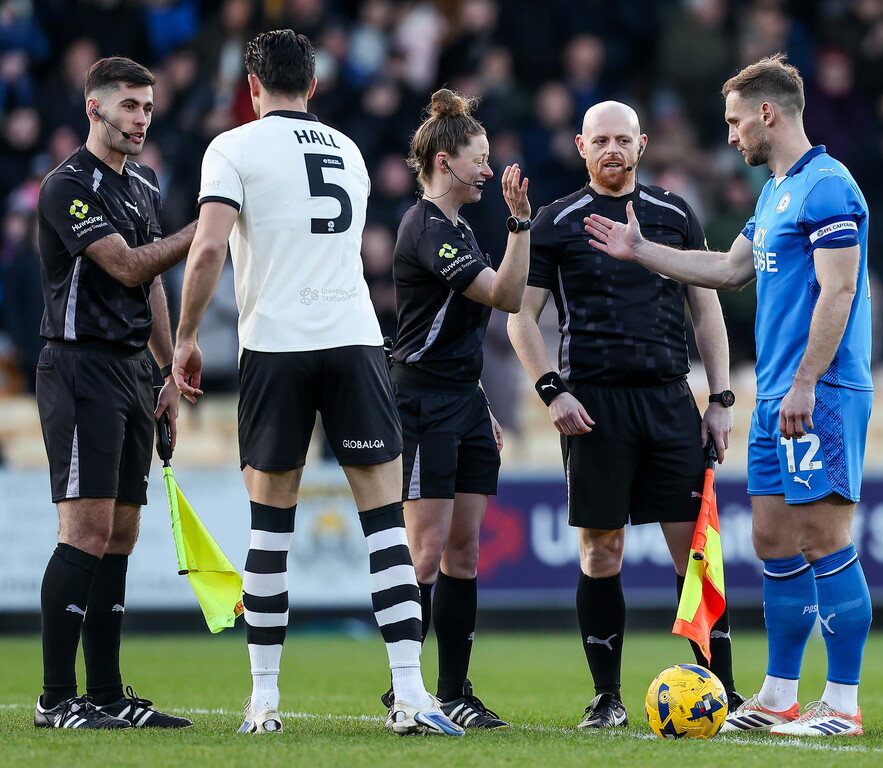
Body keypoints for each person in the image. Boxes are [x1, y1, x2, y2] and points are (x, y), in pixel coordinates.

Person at [171, 29, 461, 738]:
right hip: (355, 339)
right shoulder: (349, 151)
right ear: (315, 86)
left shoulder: (232, 147)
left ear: (253, 86)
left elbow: (209, 245)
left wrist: (183, 337)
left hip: (276, 344)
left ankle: (264, 702)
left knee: (271, 528)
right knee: (384, 528)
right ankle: (411, 695)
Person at [584, 54, 872, 737]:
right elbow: (729, 268)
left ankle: (842, 702)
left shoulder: (829, 187)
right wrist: (640, 250)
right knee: (773, 540)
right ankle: (777, 695)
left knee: (822, 539)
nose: (732, 134)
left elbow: (840, 290)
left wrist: (805, 382)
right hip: (774, 396)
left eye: (736, 121)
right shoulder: (776, 192)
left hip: (819, 390)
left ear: (767, 113)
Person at [506, 100, 740, 730]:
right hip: (594, 405)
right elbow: (519, 318)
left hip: (668, 400)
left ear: (642, 146)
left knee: (693, 552)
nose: (612, 150)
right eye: (600, 140)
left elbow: (706, 310)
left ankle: (724, 691)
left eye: (623, 140)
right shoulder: (557, 222)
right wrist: (552, 391)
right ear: (581, 147)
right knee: (600, 552)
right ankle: (606, 696)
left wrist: (719, 399)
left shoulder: (674, 213)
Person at [33, 56, 197, 729]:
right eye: (129, 106)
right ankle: (53, 700)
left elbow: (149, 284)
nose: (141, 120)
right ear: (93, 107)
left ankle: (105, 695)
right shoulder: (67, 185)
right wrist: (205, 233)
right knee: (87, 529)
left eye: (148, 108)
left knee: (122, 534)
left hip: (132, 372)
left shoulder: (143, 185)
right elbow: (127, 264)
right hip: (79, 369)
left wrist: (166, 371)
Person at [388, 88, 530, 729]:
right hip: (420, 404)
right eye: (480, 158)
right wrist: (522, 225)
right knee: (425, 552)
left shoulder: (460, 227)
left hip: (463, 402)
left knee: (464, 554)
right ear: (445, 162)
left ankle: (452, 689)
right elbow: (504, 295)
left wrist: (482, 405)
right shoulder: (424, 226)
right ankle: (405, 689)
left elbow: (463, 336)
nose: (488, 168)